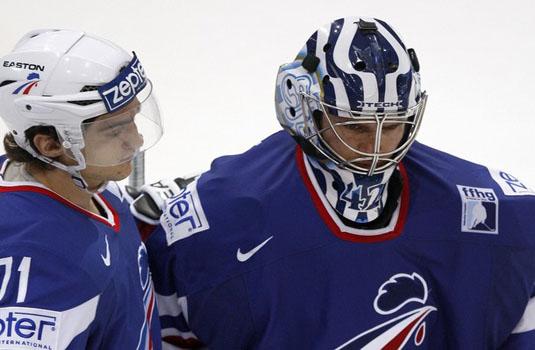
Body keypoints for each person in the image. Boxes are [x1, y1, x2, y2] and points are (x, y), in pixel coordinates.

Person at [134, 17, 535, 349]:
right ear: (304, 109)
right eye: (356, 125)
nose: (376, 147)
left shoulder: (502, 214)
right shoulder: (214, 221)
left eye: (393, 125)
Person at [0, 29, 163, 349]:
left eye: (133, 119)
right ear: (50, 145)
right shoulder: (41, 266)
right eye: (115, 130)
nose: (137, 140)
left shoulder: (87, 180)